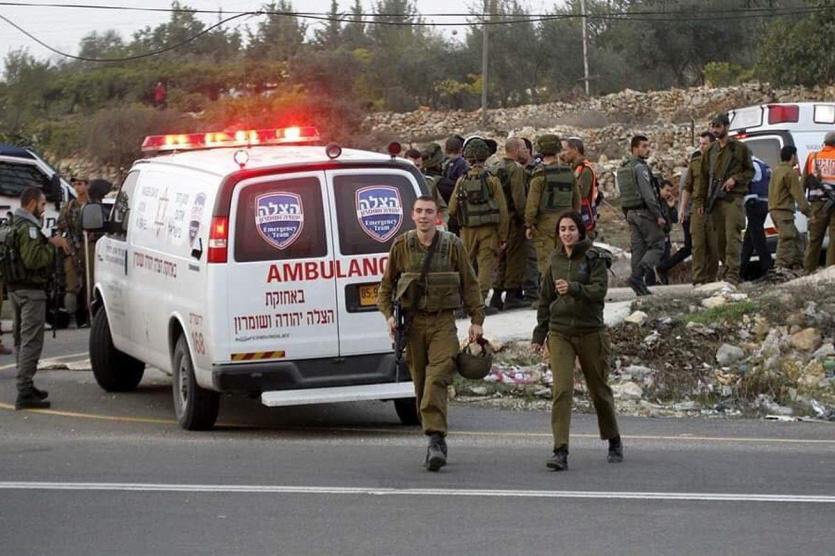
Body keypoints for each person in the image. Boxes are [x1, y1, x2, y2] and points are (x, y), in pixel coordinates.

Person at [377, 195, 485, 471]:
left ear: (436, 216)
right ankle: (434, 439)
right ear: (412, 215)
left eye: (428, 211)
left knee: (437, 378)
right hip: (413, 326)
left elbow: (470, 284)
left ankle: (436, 438)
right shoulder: (402, 246)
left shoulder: (452, 245)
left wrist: (477, 319)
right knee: (421, 384)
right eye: (419, 211)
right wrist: (389, 317)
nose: (423, 216)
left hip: (443, 323)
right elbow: (385, 289)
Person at [531, 210, 622, 471]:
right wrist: (540, 334)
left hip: (590, 331)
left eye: (571, 228)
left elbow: (599, 291)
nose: (567, 234)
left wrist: (573, 288)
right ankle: (560, 450)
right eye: (562, 229)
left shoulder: (594, 257)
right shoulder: (555, 260)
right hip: (560, 332)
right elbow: (545, 299)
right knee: (562, 390)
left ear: (580, 231)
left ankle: (613, 438)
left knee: (599, 390)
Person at [8, 186, 69, 410]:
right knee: (31, 342)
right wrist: (52, 246)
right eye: (42, 205)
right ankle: (24, 391)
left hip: (15, 290)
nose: (43, 210)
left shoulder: (13, 223)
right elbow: (33, 260)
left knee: (20, 340)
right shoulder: (29, 228)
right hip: (30, 292)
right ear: (32, 203)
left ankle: (26, 385)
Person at [447, 138, 509, 311]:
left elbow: (451, 209)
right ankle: (480, 303)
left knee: (465, 266)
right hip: (489, 231)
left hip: (467, 231)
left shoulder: (461, 181)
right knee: (485, 267)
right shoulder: (492, 180)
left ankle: (463, 303)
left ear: (467, 158)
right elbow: (503, 210)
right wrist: (503, 236)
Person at [698, 113, 754, 285]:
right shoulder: (710, 151)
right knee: (720, 241)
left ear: (726, 127)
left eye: (718, 126)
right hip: (715, 201)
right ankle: (727, 269)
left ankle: (733, 274)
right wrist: (700, 201)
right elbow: (703, 178)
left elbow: (750, 171)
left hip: (733, 199)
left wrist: (735, 179)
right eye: (713, 127)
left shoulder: (739, 148)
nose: (715, 130)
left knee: (732, 238)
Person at [524, 134, 581, 277]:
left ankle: (550, 289)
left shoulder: (539, 175)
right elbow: (576, 200)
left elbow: (532, 204)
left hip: (545, 225)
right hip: (566, 223)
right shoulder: (569, 172)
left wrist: (529, 224)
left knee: (547, 265)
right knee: (565, 261)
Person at [618, 135, 666, 296]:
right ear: (635, 148)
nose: (647, 149)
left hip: (631, 213)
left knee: (638, 250)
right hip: (644, 212)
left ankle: (639, 287)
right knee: (658, 244)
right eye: (644, 146)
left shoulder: (624, 168)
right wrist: (658, 214)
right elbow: (648, 195)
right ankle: (637, 277)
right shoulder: (640, 168)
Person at [489, 137, 528, 311]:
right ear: (516, 149)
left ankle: (496, 296)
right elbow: (519, 198)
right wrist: (526, 219)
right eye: (524, 148)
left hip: (496, 220)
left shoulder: (494, 168)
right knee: (515, 257)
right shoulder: (516, 169)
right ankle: (512, 295)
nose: (526, 151)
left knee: (501, 258)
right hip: (513, 219)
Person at [682, 131, 719, 284]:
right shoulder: (695, 163)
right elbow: (687, 187)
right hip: (697, 207)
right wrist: (682, 209)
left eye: (705, 144)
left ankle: (711, 278)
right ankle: (698, 278)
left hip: (714, 207)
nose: (702, 147)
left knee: (714, 246)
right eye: (700, 144)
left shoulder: (719, 163)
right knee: (698, 244)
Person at [769, 145, 811, 271]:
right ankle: (779, 268)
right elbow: (799, 195)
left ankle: (797, 265)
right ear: (792, 156)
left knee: (797, 239)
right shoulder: (790, 172)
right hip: (783, 212)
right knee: (786, 239)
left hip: (774, 210)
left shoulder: (776, 170)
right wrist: (809, 212)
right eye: (796, 156)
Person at [57, 176, 90, 326]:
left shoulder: (93, 206)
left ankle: (90, 316)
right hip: (72, 248)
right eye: (75, 184)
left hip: (89, 246)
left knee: (91, 283)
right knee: (71, 285)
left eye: (80, 184)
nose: (77, 187)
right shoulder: (69, 207)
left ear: (87, 186)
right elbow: (60, 228)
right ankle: (72, 318)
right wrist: (63, 240)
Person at [803, 131, 835, 273]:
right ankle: (830, 270)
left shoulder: (813, 157)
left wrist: (802, 203)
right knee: (834, 239)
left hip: (817, 205)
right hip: (833, 204)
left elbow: (804, 180)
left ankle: (808, 270)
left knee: (814, 239)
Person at [740, 157, 773, 279]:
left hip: (753, 203)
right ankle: (741, 269)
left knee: (758, 238)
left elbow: (743, 183)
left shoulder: (749, 165)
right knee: (749, 239)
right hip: (764, 202)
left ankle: (768, 267)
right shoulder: (763, 164)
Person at [517, 137, 541, 303]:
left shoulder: (537, 170)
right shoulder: (517, 169)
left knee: (533, 256)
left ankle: (532, 291)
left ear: (528, 150)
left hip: (534, 219)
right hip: (519, 219)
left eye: (521, 148)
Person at [561, 137, 601, 238]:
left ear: (575, 149)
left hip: (584, 218)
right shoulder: (574, 168)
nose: (563, 154)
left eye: (565, 150)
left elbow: (582, 194)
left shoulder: (585, 169)